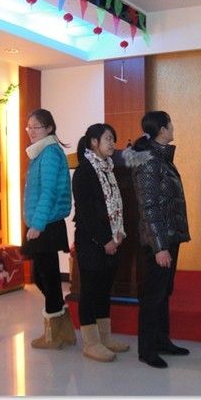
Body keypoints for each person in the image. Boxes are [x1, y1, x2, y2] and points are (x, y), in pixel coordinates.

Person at [122, 111, 191, 369]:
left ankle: (162, 341)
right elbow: (148, 207)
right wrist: (160, 247)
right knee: (153, 295)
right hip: (157, 241)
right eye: (170, 125)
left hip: (168, 236)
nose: (173, 128)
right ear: (162, 129)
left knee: (163, 292)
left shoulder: (160, 157)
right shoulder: (149, 162)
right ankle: (148, 350)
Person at [72, 123, 129, 362]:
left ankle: (105, 337)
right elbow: (86, 212)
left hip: (111, 239)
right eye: (108, 139)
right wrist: (105, 239)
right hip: (92, 242)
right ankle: (91, 342)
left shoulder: (108, 168)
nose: (112, 143)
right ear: (94, 142)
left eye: (113, 139)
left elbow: (114, 204)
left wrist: (117, 234)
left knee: (105, 290)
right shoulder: (84, 171)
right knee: (90, 291)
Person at [22, 108, 76, 349]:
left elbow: (48, 192)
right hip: (42, 221)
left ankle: (54, 334)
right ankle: (63, 329)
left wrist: (37, 224)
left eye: (36, 127)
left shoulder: (50, 152)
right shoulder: (41, 151)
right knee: (45, 277)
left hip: (46, 223)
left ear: (49, 128)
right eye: (29, 127)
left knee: (47, 277)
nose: (31, 131)